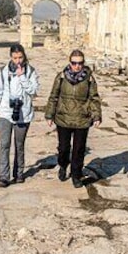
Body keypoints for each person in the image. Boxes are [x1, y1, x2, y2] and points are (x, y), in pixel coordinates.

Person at [44, 49, 101, 188]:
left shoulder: (89, 79)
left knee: (79, 149)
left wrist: (97, 115)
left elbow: (94, 98)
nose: (77, 66)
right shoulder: (61, 77)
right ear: (70, 63)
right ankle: (63, 165)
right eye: (74, 63)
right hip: (63, 118)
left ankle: (76, 174)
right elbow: (54, 96)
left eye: (80, 63)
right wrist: (49, 114)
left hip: (82, 119)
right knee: (63, 148)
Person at [0, 44, 40, 188]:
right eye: (15, 58)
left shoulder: (31, 71)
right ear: (11, 57)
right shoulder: (3, 71)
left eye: (20, 57)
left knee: (19, 145)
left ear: (24, 56)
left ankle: (19, 173)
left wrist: (22, 77)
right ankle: (3, 176)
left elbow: (34, 91)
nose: (18, 61)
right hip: (5, 112)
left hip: (24, 114)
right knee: (4, 145)